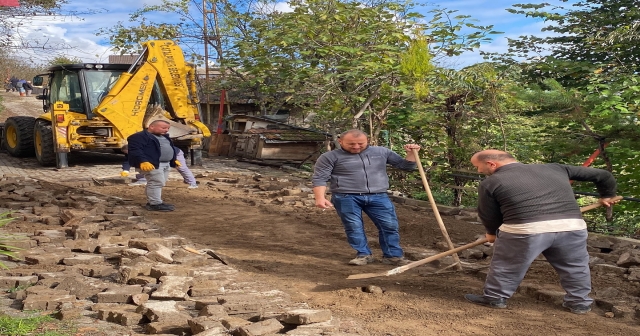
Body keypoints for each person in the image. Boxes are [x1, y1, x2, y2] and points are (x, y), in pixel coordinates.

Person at [464, 150, 618, 314]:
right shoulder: (554, 168)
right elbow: (604, 175)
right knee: (575, 267)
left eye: (477, 167)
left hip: (525, 230)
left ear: (491, 164)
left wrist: (492, 233)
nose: (478, 171)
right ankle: (579, 302)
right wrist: (607, 195)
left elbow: (488, 214)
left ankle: (495, 297)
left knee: (507, 265)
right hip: (571, 226)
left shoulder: (491, 182)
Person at [312, 129, 421, 266]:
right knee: (353, 226)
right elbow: (319, 178)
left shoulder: (381, 152)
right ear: (340, 141)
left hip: (378, 196)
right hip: (346, 196)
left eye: (360, 143)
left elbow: (406, 167)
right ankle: (363, 255)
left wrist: (411, 153)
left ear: (367, 141)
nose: (356, 147)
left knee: (389, 225)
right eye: (351, 144)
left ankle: (393, 256)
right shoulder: (329, 157)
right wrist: (320, 198)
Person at [127, 120, 182, 212]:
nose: (166, 130)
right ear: (151, 127)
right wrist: (143, 161)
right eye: (163, 128)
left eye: (168, 128)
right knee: (156, 182)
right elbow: (135, 150)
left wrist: (173, 160)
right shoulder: (139, 137)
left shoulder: (164, 137)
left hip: (165, 164)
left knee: (160, 182)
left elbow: (170, 148)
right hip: (151, 164)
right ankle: (155, 204)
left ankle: (153, 201)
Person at [121, 145, 198, 189]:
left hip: (174, 153)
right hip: (160, 156)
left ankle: (192, 183)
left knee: (181, 168)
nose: (128, 154)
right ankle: (142, 180)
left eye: (128, 152)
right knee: (141, 164)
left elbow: (166, 152)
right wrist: (126, 170)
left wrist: (174, 159)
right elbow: (128, 161)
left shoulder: (148, 150)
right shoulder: (132, 153)